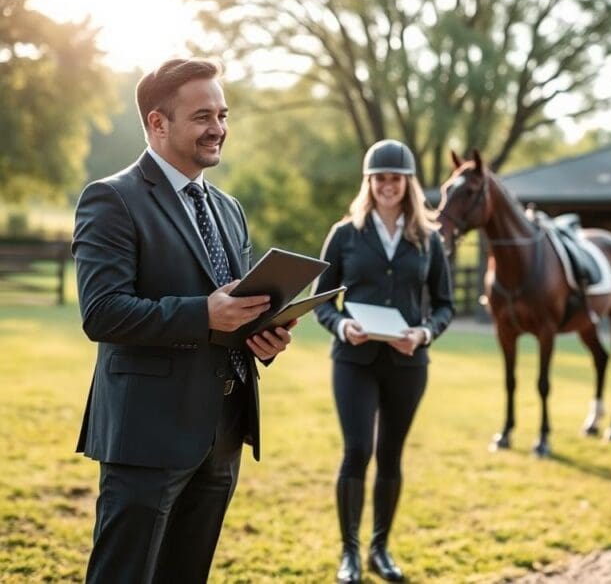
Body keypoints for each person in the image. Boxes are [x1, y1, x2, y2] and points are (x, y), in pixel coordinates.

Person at [72, 58, 294, 583]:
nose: (218, 128)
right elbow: (102, 312)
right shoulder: (112, 199)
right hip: (146, 434)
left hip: (223, 433)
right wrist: (204, 315)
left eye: (222, 114)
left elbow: (233, 308)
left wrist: (263, 334)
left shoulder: (229, 208)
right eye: (202, 116)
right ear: (158, 123)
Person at [313, 139, 454, 583]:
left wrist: (425, 332)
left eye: (395, 178)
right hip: (354, 360)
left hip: (408, 364)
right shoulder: (344, 234)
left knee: (391, 455)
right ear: (369, 182)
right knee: (358, 450)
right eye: (380, 178)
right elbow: (320, 300)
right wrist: (340, 326)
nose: (388, 186)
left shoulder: (428, 239)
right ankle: (350, 554)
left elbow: (446, 304)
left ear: (407, 183)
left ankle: (380, 548)